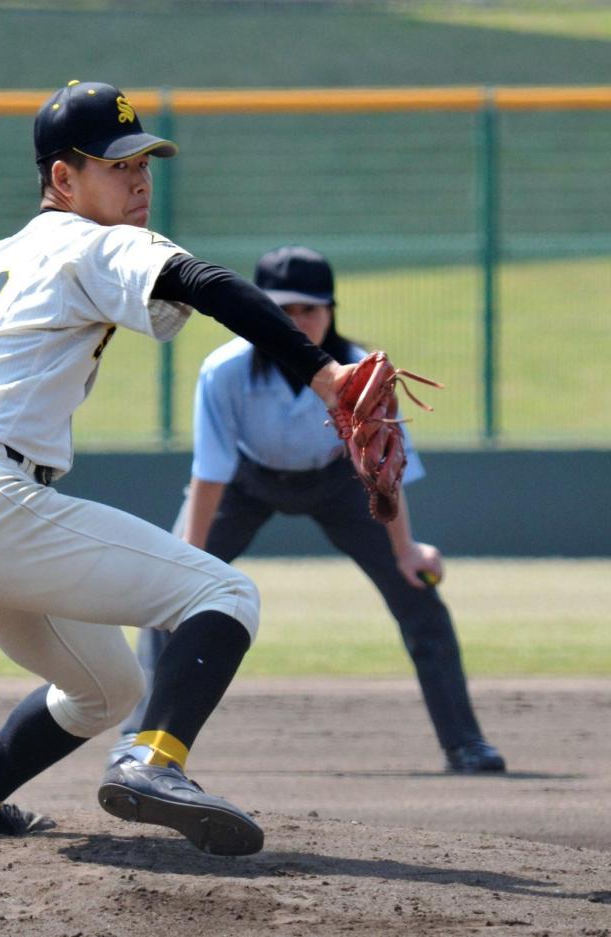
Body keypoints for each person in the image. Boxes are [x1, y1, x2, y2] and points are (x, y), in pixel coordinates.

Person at [0, 81, 365, 857]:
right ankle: (152, 761)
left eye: (145, 163)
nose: (140, 180)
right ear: (63, 178)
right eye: (117, 164)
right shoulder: (92, 242)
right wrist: (326, 374)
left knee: (108, 688)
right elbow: (205, 283)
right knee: (224, 592)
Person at [108, 245, 506, 775]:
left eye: (309, 309)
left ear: (331, 311)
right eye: (282, 310)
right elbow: (211, 472)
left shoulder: (361, 372)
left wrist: (406, 549)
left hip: (340, 483)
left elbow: (384, 472)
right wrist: (189, 559)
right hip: (244, 484)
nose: (297, 320)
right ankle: (138, 738)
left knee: (419, 597)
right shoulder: (224, 370)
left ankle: (465, 743)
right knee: (170, 593)